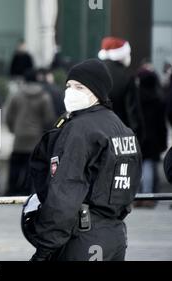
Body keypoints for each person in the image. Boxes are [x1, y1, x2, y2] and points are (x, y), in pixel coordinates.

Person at [25, 59, 142, 261]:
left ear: (96, 91)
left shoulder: (80, 129)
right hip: (115, 235)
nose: (70, 92)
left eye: (79, 87)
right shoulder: (122, 128)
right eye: (69, 86)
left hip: (83, 236)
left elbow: (65, 192)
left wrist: (44, 249)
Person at [5, 69, 56, 196]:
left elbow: (8, 115)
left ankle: (12, 191)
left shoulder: (17, 95)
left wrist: (13, 129)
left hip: (20, 137)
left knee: (15, 166)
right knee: (33, 167)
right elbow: (49, 119)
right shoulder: (44, 96)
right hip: (36, 139)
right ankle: (30, 192)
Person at [98, 37, 145, 143]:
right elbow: (133, 112)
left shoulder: (94, 72)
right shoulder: (127, 77)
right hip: (120, 135)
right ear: (121, 55)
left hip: (96, 131)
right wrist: (138, 137)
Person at [136, 64, 167, 208]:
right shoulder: (158, 100)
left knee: (136, 167)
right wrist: (163, 141)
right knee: (148, 166)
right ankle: (148, 196)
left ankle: (137, 196)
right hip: (153, 139)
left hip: (138, 136)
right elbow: (162, 124)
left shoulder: (136, 99)